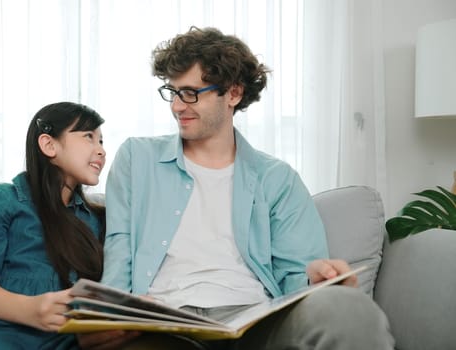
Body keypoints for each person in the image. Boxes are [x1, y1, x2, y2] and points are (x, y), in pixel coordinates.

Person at [82, 27, 394, 349]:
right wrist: (107, 315)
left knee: (350, 307)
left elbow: (297, 277)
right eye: (172, 92)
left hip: (254, 323)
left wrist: (316, 279)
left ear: (233, 93)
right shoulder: (138, 159)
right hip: (165, 323)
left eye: (191, 93)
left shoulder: (277, 179)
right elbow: (120, 247)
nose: (177, 106)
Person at [0, 102, 114, 349]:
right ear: (49, 145)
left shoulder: (97, 219)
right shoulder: (3, 200)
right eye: (89, 137)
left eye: (102, 141)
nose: (101, 150)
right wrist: (32, 309)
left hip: (67, 340)